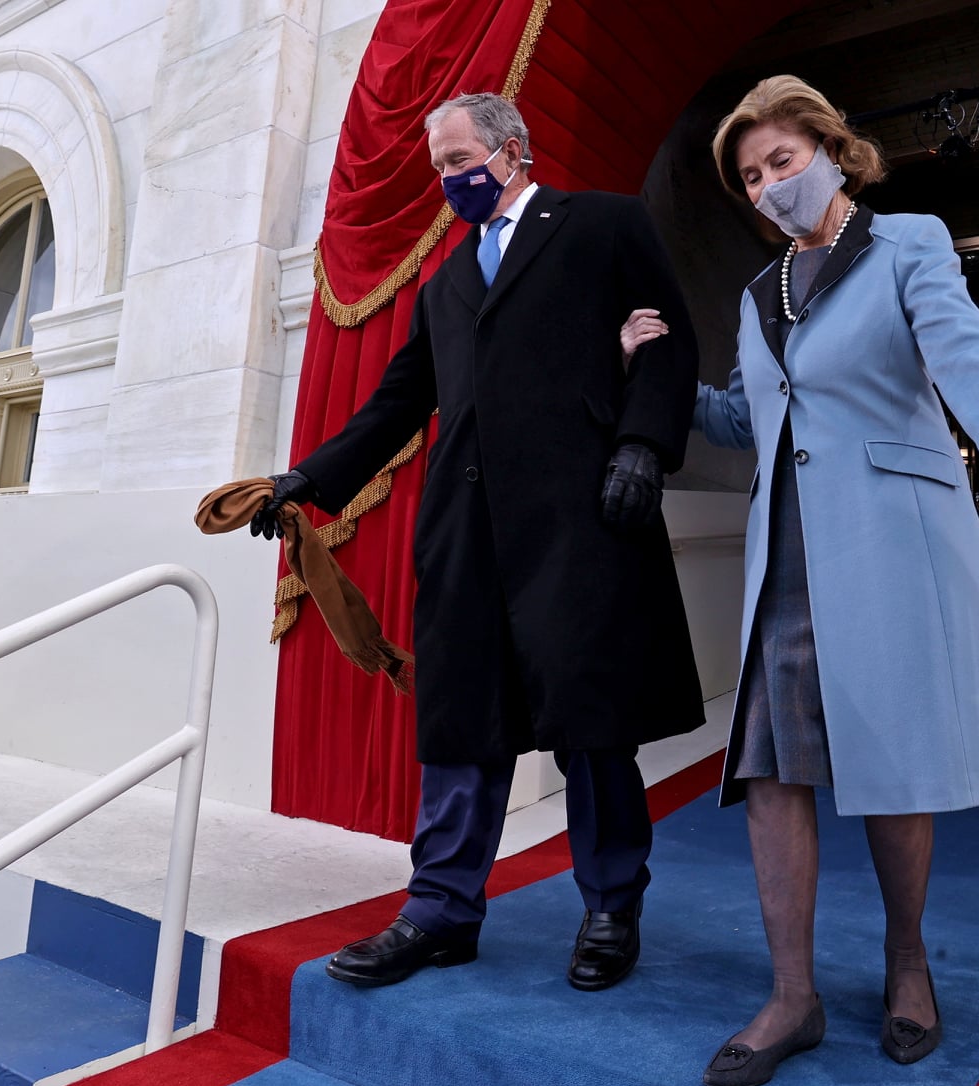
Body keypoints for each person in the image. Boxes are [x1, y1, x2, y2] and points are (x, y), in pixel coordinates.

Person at [623, 75, 979, 1086]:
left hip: (887, 546)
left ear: (832, 150)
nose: (768, 185)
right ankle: (793, 995)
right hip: (785, 560)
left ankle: (908, 961)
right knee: (770, 770)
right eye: (750, 177)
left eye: (781, 160)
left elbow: (969, 361)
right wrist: (656, 375)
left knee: (891, 760)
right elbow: (744, 416)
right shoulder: (759, 293)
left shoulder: (907, 244)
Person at [251, 92, 704, 993]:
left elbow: (669, 339)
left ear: (511, 150)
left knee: (592, 723)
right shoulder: (445, 283)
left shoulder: (604, 225)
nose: (449, 180)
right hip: (464, 535)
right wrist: (307, 477)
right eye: (439, 169)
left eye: (460, 160)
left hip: (579, 522)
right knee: (462, 722)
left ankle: (611, 904)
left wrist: (643, 446)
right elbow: (397, 401)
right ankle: (441, 910)